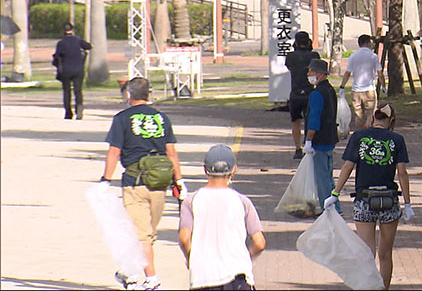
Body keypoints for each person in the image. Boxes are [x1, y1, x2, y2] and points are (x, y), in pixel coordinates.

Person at [100, 77, 186, 290]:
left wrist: (105, 180)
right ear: (149, 95)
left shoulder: (122, 119)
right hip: (159, 183)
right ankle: (130, 272)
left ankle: (150, 279)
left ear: (128, 95)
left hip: (134, 183)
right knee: (147, 234)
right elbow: (171, 152)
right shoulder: (162, 118)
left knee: (142, 236)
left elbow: (114, 152)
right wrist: (179, 181)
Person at [323, 103, 413, 289]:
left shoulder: (359, 137)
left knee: (366, 252)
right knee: (385, 254)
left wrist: (334, 193)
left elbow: (348, 167)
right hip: (389, 200)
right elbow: (402, 172)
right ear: (391, 121)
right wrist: (408, 203)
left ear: (373, 119)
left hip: (364, 200)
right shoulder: (397, 139)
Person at [179, 145, 266, 290]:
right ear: (234, 169)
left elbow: (184, 238)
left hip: (203, 278)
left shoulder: (191, 201)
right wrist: (244, 257)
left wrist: (191, 259)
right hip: (238, 277)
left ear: (205, 169)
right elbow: (260, 243)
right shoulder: (242, 201)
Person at [303, 59, 341, 213]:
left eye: (310, 71)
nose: (308, 74)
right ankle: (335, 206)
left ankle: (329, 209)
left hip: (319, 141)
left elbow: (314, 118)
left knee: (322, 178)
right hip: (330, 138)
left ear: (319, 73)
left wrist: (308, 140)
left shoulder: (317, 93)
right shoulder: (330, 90)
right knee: (328, 176)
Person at [339, 34, 386, 130]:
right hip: (369, 90)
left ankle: (359, 133)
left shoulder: (353, 56)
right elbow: (380, 73)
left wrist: (342, 86)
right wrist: (383, 86)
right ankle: (369, 132)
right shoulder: (373, 56)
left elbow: (348, 73)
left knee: (358, 115)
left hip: (356, 90)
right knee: (370, 114)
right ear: (368, 43)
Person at [285, 31, 320, 159]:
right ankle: (308, 144)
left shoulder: (290, 56)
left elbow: (289, 67)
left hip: (295, 92)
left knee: (295, 121)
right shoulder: (314, 56)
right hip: (310, 92)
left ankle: (297, 148)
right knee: (310, 120)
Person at [52, 23, 91, 119]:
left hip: (66, 70)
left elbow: (57, 57)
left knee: (66, 91)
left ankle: (68, 112)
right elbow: (89, 46)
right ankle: (79, 109)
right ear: (72, 30)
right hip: (78, 69)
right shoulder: (78, 40)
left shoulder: (61, 43)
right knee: (78, 90)